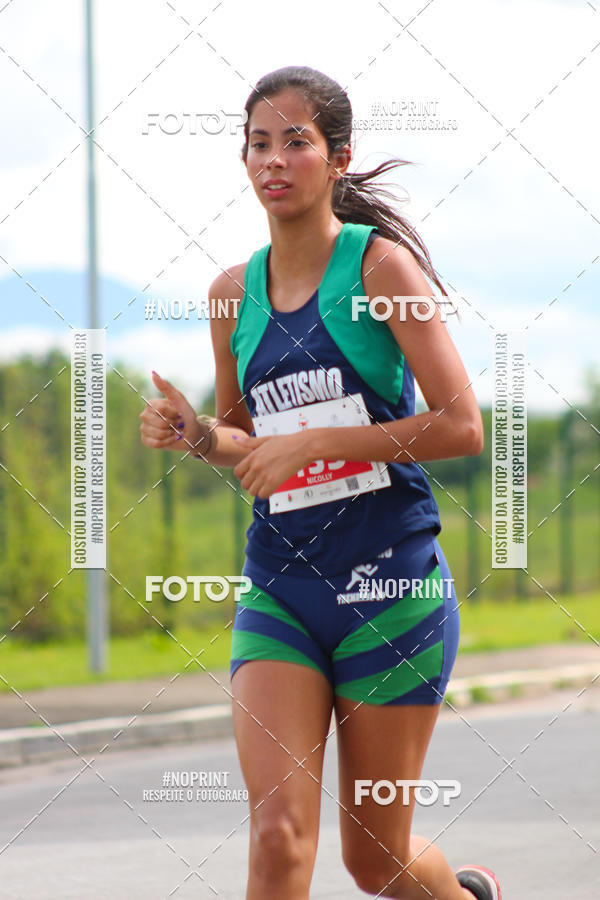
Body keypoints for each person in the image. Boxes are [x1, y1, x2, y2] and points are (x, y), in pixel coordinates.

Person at [140, 66, 502, 900]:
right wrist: (197, 435)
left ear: (338, 158)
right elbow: (242, 437)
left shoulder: (382, 273)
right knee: (276, 837)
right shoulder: (232, 294)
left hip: (390, 587)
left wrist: (321, 445)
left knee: (375, 859)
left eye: (295, 142)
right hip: (283, 589)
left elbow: (460, 425)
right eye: (258, 143)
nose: (274, 160)